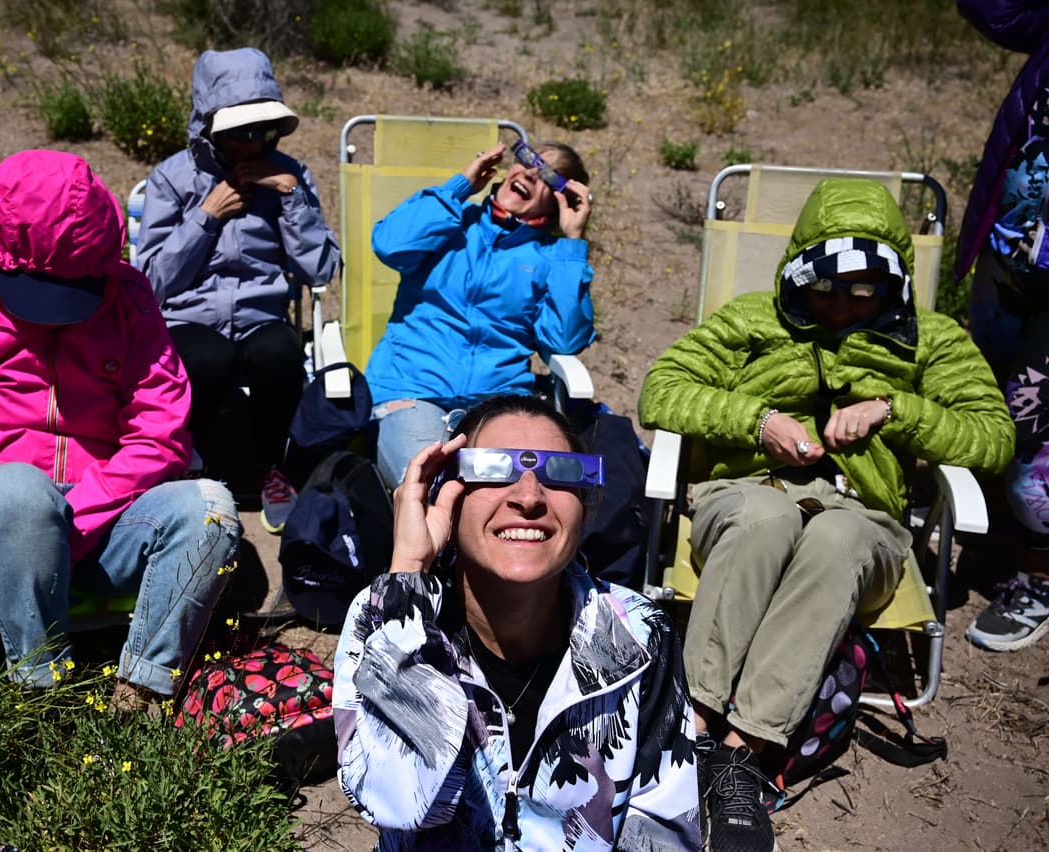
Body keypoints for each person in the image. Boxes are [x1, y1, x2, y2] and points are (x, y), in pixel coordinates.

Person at [639, 177, 1014, 852]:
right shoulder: (754, 318)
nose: (841, 304)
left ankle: (740, 755)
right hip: (752, 487)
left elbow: (992, 436)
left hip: (863, 512)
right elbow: (663, 389)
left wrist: (897, 410)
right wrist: (758, 420)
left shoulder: (930, 339)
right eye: (825, 286)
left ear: (892, 282)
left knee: (836, 539)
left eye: (864, 290)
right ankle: (687, 730)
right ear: (798, 271)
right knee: (767, 521)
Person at [0, 150, 242, 708]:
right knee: (21, 493)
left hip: (102, 524)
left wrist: (72, 523)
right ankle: (40, 688)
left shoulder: (130, 299)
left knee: (210, 506)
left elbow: (160, 432)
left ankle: (141, 689)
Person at [333, 394, 701, 851]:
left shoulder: (640, 633)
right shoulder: (382, 614)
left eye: (559, 472)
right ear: (446, 496)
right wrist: (409, 570)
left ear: (586, 505)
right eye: (493, 469)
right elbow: (400, 803)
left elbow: (662, 830)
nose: (528, 497)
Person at [135, 47, 339, 534]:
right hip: (189, 315)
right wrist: (206, 216)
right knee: (206, 359)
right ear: (210, 127)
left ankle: (273, 468)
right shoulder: (172, 178)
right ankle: (189, 463)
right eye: (243, 132)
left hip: (260, 313)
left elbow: (320, 269)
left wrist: (290, 197)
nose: (256, 144)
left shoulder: (289, 174)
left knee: (278, 354)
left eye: (265, 131)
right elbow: (151, 282)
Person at [364, 140, 596, 488]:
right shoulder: (452, 223)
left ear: (560, 200)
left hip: (497, 401)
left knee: (510, 494)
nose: (530, 174)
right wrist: (459, 187)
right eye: (528, 160)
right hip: (412, 389)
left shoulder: (551, 258)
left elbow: (563, 340)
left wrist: (573, 241)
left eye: (548, 176)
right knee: (431, 486)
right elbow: (389, 244)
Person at [954, 0, 1049, 652]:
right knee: (982, 399)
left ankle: (1038, 574)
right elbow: (999, 12)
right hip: (1010, 251)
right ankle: (993, 543)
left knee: (1032, 435)